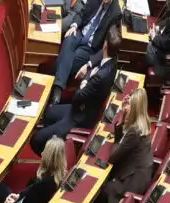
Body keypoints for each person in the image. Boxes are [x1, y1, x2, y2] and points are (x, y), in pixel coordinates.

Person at [30, 26, 119, 155]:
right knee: (48, 113)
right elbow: (91, 71)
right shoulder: (113, 61)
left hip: (80, 116)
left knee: (36, 140)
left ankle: (52, 161)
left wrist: (84, 82)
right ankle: (53, 141)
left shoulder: (101, 76)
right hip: (79, 107)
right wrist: (88, 73)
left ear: (105, 45)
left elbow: (77, 96)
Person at [51, 0, 122, 99]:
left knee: (65, 61)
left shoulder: (116, 13)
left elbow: (107, 45)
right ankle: (58, 88)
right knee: (69, 37)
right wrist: (74, 25)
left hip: (90, 47)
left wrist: (90, 64)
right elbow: (83, 12)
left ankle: (57, 89)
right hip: (80, 32)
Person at [95, 89, 153, 203]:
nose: (126, 106)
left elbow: (113, 156)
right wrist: (122, 117)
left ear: (135, 108)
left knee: (101, 190)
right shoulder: (142, 121)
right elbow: (119, 141)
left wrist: (123, 120)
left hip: (133, 180)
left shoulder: (135, 131)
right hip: (136, 170)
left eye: (129, 104)